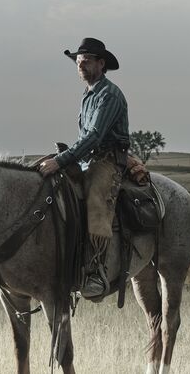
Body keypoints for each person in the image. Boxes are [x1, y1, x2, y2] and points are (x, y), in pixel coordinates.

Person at [38, 38, 129, 298]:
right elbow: (84, 138)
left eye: (86, 59)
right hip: (88, 159)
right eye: (78, 60)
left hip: (108, 160)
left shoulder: (109, 94)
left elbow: (94, 137)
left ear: (101, 64)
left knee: (95, 198)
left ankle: (95, 270)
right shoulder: (88, 95)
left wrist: (61, 160)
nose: (80, 64)